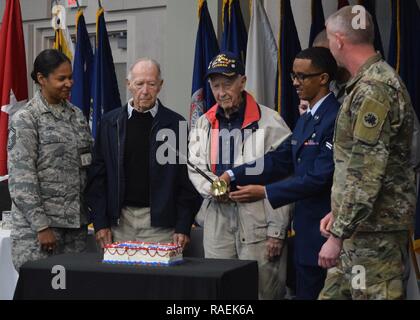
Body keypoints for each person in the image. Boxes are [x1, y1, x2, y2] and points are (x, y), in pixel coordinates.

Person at [219, 47, 340, 299]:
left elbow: (319, 177)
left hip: (326, 232)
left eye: (302, 76)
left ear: (323, 79)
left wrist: (265, 192)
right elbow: (280, 158)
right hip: (306, 234)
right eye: (293, 76)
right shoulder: (308, 118)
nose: (295, 83)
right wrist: (233, 174)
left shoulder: (335, 117)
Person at [317, 6, 416, 300]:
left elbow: (366, 172)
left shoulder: (375, 88)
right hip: (357, 229)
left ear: (338, 40)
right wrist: (338, 211)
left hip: (374, 237)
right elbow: (355, 167)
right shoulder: (364, 85)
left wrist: (338, 234)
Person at [188, 52, 292, 299]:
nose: (221, 92)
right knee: (220, 290)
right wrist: (214, 189)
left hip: (258, 218)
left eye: (227, 84)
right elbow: (195, 166)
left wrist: (277, 231)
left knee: (261, 290)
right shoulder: (204, 122)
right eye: (215, 86)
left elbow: (285, 177)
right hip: (218, 218)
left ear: (242, 82)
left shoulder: (270, 121)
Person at [87, 58, 199, 250]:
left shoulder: (174, 124)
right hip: (118, 223)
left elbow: (185, 181)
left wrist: (183, 225)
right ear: (129, 85)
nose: (145, 91)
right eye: (139, 84)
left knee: (158, 281)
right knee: (120, 280)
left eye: (151, 84)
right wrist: (100, 222)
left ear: (160, 85)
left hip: (161, 227)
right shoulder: (110, 123)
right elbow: (97, 178)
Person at [7, 49, 92, 271]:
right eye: (61, 78)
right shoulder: (26, 118)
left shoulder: (77, 115)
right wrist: (41, 227)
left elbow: (87, 166)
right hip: (39, 233)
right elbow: (21, 180)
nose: (69, 83)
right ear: (41, 79)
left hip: (75, 228)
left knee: (73, 291)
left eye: (70, 77)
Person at [313, 29, 351, 104]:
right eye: (318, 58)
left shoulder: (364, 84)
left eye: (325, 56)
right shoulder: (327, 86)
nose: (321, 63)